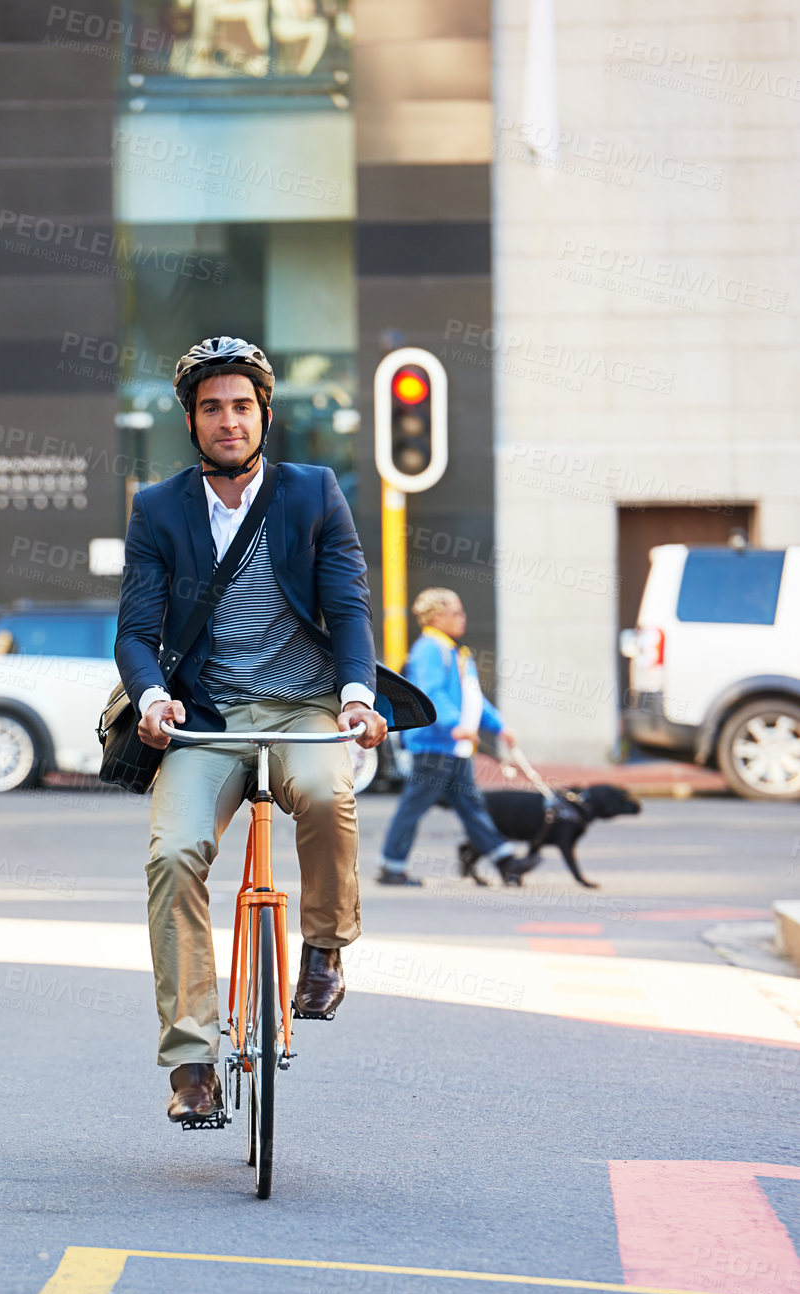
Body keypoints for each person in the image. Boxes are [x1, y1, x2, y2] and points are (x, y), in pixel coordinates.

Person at [114, 336, 389, 1124]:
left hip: (305, 707)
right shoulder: (157, 508)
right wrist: (153, 698)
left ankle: (325, 948)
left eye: (241, 405)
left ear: (263, 413)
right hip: (208, 716)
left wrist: (356, 696)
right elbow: (135, 629)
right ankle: (192, 1059)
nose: (227, 420)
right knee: (172, 856)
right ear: (191, 421)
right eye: (211, 408)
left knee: (327, 796)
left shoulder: (312, 493)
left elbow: (347, 606)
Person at [376, 587, 522, 888]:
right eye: (456, 612)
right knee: (416, 806)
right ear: (437, 616)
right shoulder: (431, 649)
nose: (463, 618)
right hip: (435, 745)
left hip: (453, 746)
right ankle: (392, 866)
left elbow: (474, 699)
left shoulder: (455, 651)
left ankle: (505, 859)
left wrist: (499, 726)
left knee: (470, 804)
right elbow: (432, 692)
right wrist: (455, 724)